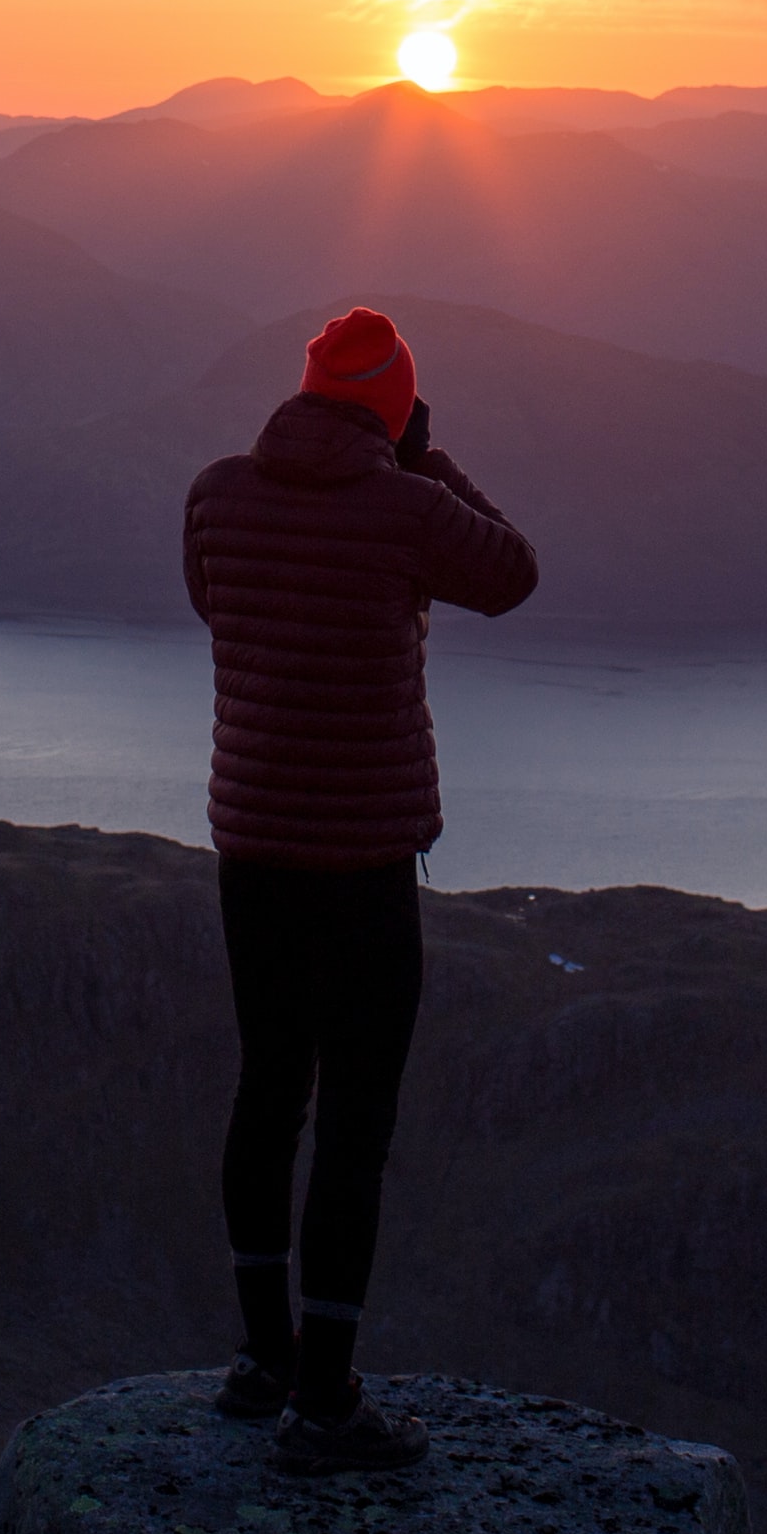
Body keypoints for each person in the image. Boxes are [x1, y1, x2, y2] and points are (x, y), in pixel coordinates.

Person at [179, 302, 540, 1472]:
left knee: (268, 1090)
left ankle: (264, 1358)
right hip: (368, 865)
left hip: (254, 856)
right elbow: (512, 575)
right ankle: (328, 1406)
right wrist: (426, 458)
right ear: (394, 405)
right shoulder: (406, 507)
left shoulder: (217, 496)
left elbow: (216, 606)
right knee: (355, 1122)